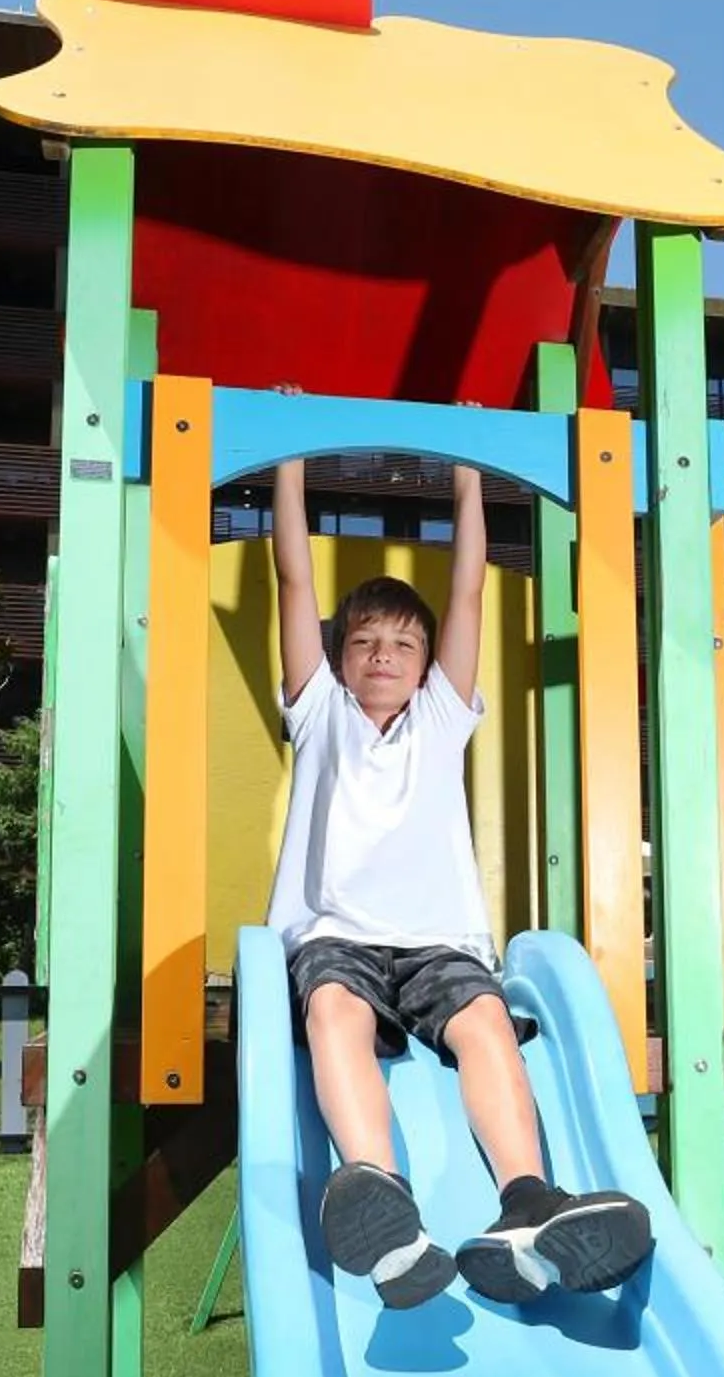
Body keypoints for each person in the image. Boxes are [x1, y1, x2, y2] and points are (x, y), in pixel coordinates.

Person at [266, 456, 654, 1309]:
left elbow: (469, 590)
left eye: (405, 644)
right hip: (338, 938)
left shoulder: (441, 718)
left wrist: (470, 482)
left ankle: (528, 1202)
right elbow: (294, 580)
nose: (384, 656)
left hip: (440, 943)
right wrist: (291, 472)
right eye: (364, 642)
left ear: (426, 664)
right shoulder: (320, 713)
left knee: (485, 1021)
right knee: (333, 1009)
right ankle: (379, 1196)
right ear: (338, 658)